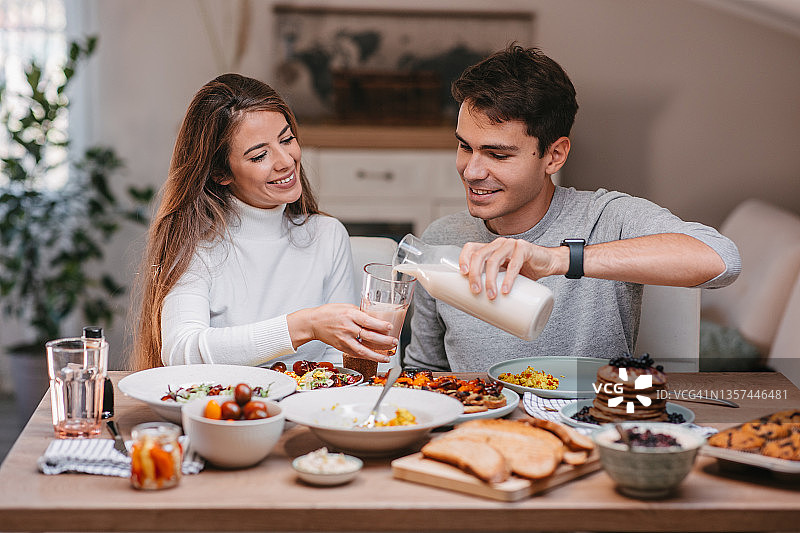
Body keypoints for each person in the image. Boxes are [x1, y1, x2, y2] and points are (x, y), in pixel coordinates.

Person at [404, 46, 741, 372]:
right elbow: (426, 371)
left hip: (590, 420)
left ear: (555, 156)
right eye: (465, 147)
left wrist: (557, 259)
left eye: (498, 155)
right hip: (483, 424)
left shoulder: (606, 218)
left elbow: (721, 259)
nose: (472, 171)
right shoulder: (442, 238)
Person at [131, 74, 397, 370]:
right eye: (259, 156)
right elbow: (182, 351)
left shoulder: (327, 235)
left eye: (287, 139)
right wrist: (303, 325)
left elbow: (338, 358)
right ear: (221, 173)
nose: (285, 160)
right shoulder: (196, 243)